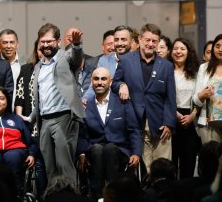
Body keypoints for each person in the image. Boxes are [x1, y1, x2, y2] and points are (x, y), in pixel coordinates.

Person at [112, 23, 177, 172]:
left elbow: (171, 97)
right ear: (140, 39)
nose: (150, 44)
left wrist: (169, 122)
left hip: (161, 125)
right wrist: (121, 85)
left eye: (154, 41)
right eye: (147, 40)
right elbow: (114, 83)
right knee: (144, 171)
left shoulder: (166, 66)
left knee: (164, 168)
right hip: (135, 123)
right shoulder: (126, 60)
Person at [30, 23, 84, 183]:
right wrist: (31, 117)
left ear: (58, 41)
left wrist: (76, 45)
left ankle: (70, 197)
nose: (46, 45)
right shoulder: (39, 66)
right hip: (44, 121)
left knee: (64, 165)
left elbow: (76, 58)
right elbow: (41, 96)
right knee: (50, 167)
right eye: (43, 42)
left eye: (49, 41)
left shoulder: (65, 58)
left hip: (64, 117)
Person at [77, 67, 142, 199]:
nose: (99, 82)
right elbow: (83, 134)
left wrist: (136, 153)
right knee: (97, 149)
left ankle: (113, 195)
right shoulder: (86, 105)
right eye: (96, 79)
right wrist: (82, 153)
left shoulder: (122, 102)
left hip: (119, 150)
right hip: (95, 152)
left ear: (111, 82)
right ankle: (99, 196)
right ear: (91, 82)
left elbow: (134, 129)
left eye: (103, 79)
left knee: (110, 148)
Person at [15, 39, 47, 198]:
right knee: (38, 163)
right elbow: (20, 95)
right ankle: (39, 196)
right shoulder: (26, 69)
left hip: (49, 122)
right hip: (31, 123)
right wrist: (20, 117)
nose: (42, 52)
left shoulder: (55, 69)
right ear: (36, 51)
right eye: (40, 49)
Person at [169, 38, 201, 179]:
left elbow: (200, 96)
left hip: (191, 118)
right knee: (171, 164)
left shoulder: (196, 72)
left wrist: (193, 115)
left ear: (188, 52)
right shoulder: (166, 70)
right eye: (175, 49)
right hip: (170, 118)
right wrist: (175, 113)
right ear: (171, 52)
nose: (178, 52)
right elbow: (162, 96)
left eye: (182, 49)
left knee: (188, 163)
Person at [193, 34, 222, 143]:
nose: (220, 49)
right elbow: (196, 100)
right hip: (209, 123)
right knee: (212, 159)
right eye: (217, 46)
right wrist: (202, 95)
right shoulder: (204, 68)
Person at [0, 29, 22, 107]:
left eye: (12, 42)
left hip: (21, 111)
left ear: (17, 44)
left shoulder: (25, 64)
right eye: (5, 43)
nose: (8, 46)